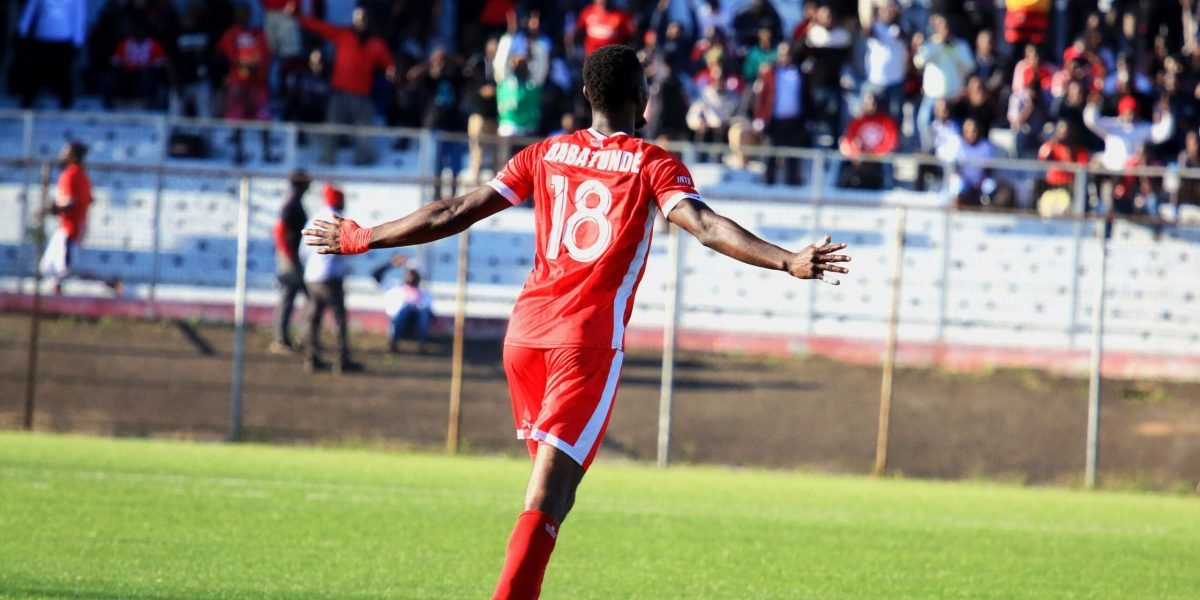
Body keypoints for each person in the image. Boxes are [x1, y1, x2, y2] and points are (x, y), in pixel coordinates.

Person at [302, 44, 851, 600]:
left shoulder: (545, 153)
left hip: (523, 340)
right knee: (547, 501)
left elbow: (453, 211)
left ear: (587, 95)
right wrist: (787, 259)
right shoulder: (652, 163)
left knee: (552, 498)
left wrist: (364, 236)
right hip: (583, 343)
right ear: (642, 102)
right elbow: (705, 226)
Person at [288, 3, 396, 165]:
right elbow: (320, 27)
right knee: (332, 129)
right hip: (339, 94)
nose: (360, 22)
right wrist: (298, 18)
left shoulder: (377, 44)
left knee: (364, 133)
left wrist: (391, 71)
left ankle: (363, 164)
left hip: (362, 96)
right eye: (357, 18)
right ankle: (328, 160)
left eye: (363, 18)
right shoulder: (343, 35)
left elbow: (389, 64)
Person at [39, 142, 121, 296]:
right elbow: (89, 199)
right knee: (49, 266)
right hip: (70, 226)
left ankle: (109, 284)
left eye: (65, 152)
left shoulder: (71, 174)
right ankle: (55, 299)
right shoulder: (83, 175)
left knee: (65, 269)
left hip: (71, 227)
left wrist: (52, 209)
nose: (61, 155)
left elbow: (70, 202)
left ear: (72, 155)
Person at [300, 183, 361, 374]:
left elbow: (303, 250)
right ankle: (341, 360)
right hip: (331, 276)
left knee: (313, 317)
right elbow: (346, 248)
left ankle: (311, 358)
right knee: (338, 319)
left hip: (312, 276)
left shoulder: (314, 218)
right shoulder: (339, 220)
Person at [217, 4, 274, 164]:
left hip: (258, 83)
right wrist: (242, 67)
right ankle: (238, 152)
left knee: (264, 117)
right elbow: (227, 55)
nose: (242, 17)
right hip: (238, 82)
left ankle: (267, 151)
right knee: (237, 117)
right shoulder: (230, 34)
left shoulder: (259, 34)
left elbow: (266, 55)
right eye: (239, 13)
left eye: (245, 13)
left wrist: (257, 70)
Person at [15, 0, 86, 109]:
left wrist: (78, 40)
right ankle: (27, 101)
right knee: (34, 73)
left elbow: (79, 16)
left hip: (64, 38)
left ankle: (65, 103)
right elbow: (30, 11)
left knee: (64, 74)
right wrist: (22, 30)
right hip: (42, 37)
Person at [271, 170, 312, 354]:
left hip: (295, 257)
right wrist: (288, 255)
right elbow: (280, 229)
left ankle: (302, 337)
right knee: (289, 297)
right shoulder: (291, 204)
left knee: (303, 297)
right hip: (291, 259)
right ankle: (282, 339)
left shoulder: (294, 202)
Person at [753, 42, 806, 186]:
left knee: (793, 154)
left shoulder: (799, 73)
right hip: (774, 121)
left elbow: (805, 96)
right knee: (770, 153)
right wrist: (760, 117)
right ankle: (768, 182)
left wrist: (808, 118)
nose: (785, 57)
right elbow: (762, 96)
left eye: (788, 54)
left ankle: (793, 183)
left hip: (793, 121)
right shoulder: (770, 73)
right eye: (783, 54)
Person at [837, 91, 899, 190]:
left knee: (888, 161)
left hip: (878, 157)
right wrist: (857, 154)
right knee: (841, 157)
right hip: (860, 157)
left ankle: (888, 188)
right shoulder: (857, 121)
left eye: (872, 104)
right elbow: (849, 140)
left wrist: (874, 155)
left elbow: (891, 142)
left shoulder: (887, 122)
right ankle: (838, 186)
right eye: (867, 104)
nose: (870, 107)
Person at [373, 255, 434, 353]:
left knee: (422, 311)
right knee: (406, 308)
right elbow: (376, 275)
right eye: (410, 273)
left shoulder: (425, 294)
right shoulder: (395, 287)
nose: (412, 276)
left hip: (415, 326)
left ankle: (423, 345)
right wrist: (390, 264)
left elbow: (428, 314)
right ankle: (393, 344)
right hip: (398, 323)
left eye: (415, 273)